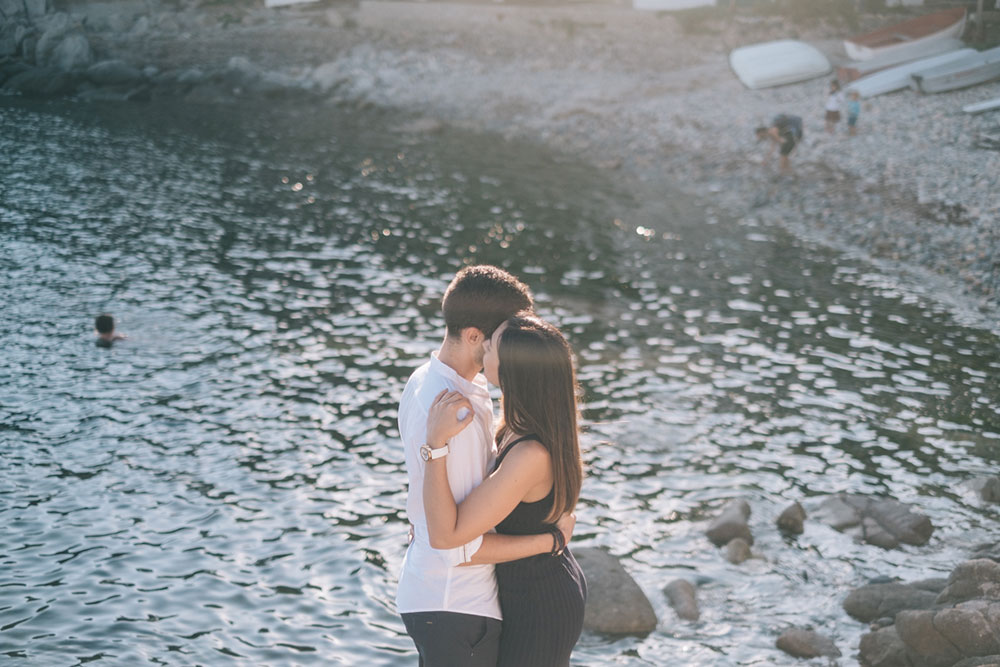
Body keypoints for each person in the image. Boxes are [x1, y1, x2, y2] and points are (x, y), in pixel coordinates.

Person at [396, 266, 574, 667]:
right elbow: (454, 543)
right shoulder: (450, 408)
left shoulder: (444, 381)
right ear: (475, 336)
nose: (510, 349)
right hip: (455, 603)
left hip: (452, 599)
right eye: (501, 339)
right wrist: (552, 541)